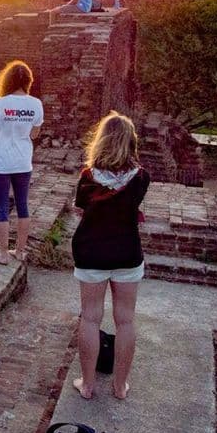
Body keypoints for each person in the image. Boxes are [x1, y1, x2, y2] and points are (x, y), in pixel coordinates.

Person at [70, 111, 150, 401]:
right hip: (126, 252)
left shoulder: (88, 177)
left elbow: (80, 210)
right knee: (125, 320)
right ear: (131, 143)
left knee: (90, 318)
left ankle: (88, 385)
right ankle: (119, 386)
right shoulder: (141, 178)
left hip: (91, 251)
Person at [0, 61, 43, 265]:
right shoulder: (36, 104)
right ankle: (18, 250)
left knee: (0, 206)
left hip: (0, 162)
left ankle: (2, 254)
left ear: (7, 80)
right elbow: (35, 134)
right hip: (23, 162)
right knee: (23, 205)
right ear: (28, 81)